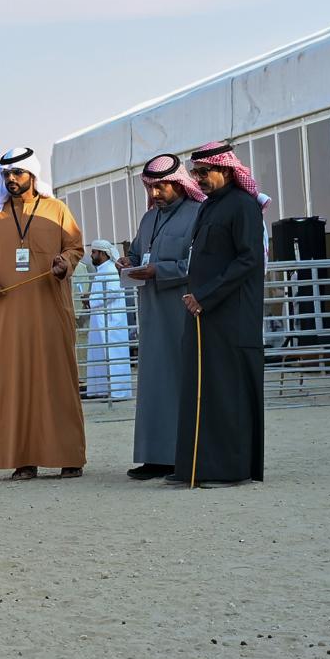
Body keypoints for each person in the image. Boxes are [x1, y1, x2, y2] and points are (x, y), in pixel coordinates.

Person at [0, 146, 86, 480]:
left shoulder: (56, 209)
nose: (11, 179)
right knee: (14, 382)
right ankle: (23, 460)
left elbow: (75, 247)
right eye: (6, 174)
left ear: (32, 175)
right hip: (9, 313)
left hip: (51, 310)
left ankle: (69, 457)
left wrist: (65, 263)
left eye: (17, 173)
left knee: (57, 380)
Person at [171, 142, 265, 487]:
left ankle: (230, 471)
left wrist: (206, 296)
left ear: (225, 169)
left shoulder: (243, 206)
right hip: (204, 313)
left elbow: (249, 259)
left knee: (228, 392)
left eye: (204, 171)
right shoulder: (210, 206)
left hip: (231, 315)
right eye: (195, 172)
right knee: (202, 389)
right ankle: (197, 467)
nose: (198, 178)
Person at [117, 154, 205, 479]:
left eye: (161, 187)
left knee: (179, 382)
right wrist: (128, 263)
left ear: (179, 184)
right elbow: (138, 252)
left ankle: (181, 456)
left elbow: (198, 264)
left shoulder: (198, 214)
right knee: (152, 384)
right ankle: (154, 457)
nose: (155, 194)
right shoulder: (148, 219)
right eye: (151, 188)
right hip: (151, 314)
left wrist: (159, 270)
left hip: (181, 313)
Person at [85, 239, 132, 400]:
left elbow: (112, 291)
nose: (91, 255)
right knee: (100, 355)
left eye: (94, 252)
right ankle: (102, 390)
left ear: (103, 253)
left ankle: (118, 392)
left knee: (113, 355)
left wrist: (92, 300)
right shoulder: (102, 269)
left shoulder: (111, 269)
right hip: (100, 319)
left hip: (111, 321)